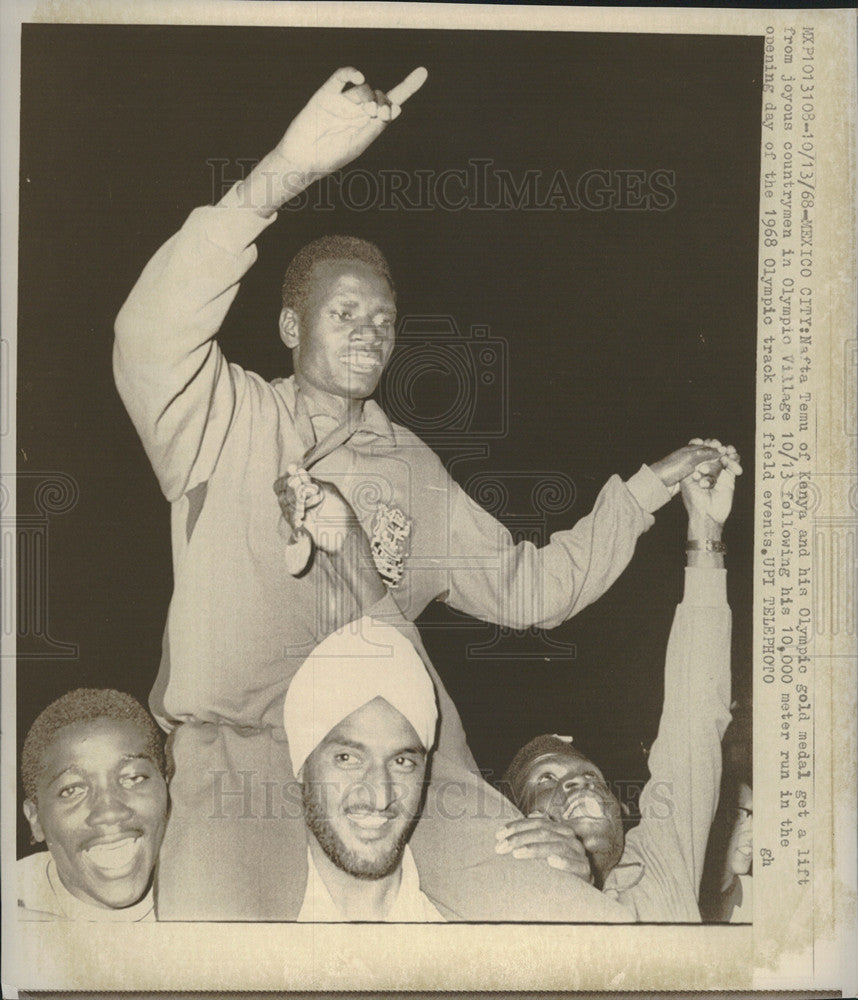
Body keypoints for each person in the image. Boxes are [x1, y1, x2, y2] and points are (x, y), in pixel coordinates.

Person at [113, 63, 724, 920]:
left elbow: (533, 589)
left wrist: (648, 489)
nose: (371, 334)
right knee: (209, 948)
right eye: (345, 315)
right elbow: (148, 333)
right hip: (240, 755)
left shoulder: (412, 468)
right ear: (291, 326)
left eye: (385, 321)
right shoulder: (225, 416)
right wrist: (288, 168)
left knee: (573, 927)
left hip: (407, 760)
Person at [497, 449, 740, 921]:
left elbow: (695, 716)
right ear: (520, 819)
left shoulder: (658, 866)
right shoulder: (503, 907)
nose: (579, 785)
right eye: (546, 779)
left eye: (591, 777)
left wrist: (705, 531)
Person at [283, 615, 445, 921]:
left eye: (402, 762)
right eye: (347, 759)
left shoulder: (466, 933)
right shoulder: (226, 929)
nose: (379, 797)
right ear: (302, 765)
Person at [18, 688, 169, 921]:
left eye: (133, 778)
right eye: (72, 790)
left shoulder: (218, 896)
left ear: (168, 789)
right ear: (35, 819)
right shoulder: (14, 905)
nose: (109, 812)